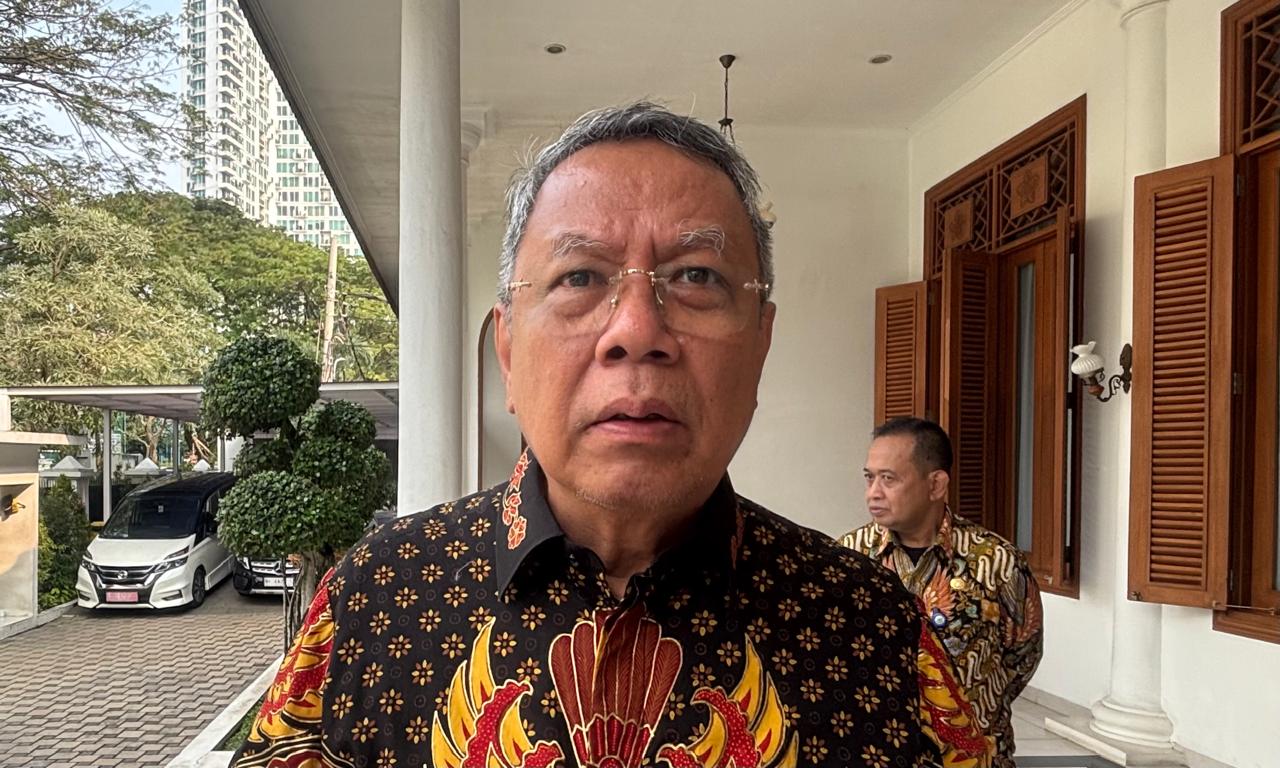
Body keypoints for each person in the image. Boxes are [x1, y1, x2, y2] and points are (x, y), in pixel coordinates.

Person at [232, 103, 990, 768]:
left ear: (760, 344)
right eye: (580, 277)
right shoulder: (376, 597)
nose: (636, 331)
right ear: (507, 350)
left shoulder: (872, 628)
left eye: (696, 276)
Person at [841, 417, 1043, 768]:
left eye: (889, 479)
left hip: (973, 758)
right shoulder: (849, 558)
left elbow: (1023, 654)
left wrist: (973, 707)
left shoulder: (996, 561)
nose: (873, 492)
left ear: (935, 484)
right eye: (869, 478)